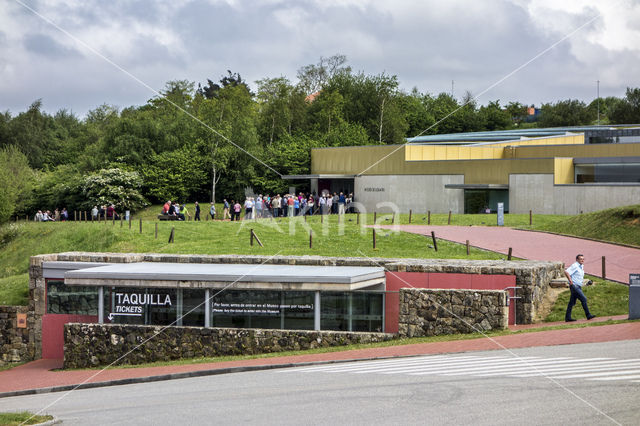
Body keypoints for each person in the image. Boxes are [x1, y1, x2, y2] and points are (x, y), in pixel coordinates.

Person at [565, 254, 596, 322]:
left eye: (583, 259)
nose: (582, 260)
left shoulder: (581, 266)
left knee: (572, 302)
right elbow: (566, 272)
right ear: (577, 260)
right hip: (575, 286)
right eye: (580, 259)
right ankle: (588, 315)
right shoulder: (575, 265)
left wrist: (585, 284)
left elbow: (578, 277)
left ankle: (567, 317)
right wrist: (570, 281)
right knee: (584, 299)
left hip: (578, 286)